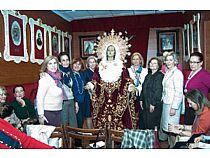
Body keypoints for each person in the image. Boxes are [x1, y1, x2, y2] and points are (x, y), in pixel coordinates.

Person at [86, 30, 137, 130]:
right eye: (108, 50)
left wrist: (130, 85)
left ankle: (117, 139)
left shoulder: (121, 65)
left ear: (115, 52)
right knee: (102, 118)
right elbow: (95, 79)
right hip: (103, 96)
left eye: (112, 50)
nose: (110, 52)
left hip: (117, 96)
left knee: (118, 118)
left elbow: (126, 79)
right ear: (105, 51)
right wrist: (92, 85)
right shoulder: (99, 66)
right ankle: (103, 139)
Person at [159, 52, 184, 148]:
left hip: (172, 104)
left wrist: (174, 107)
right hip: (166, 102)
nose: (168, 62)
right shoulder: (168, 72)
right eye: (167, 60)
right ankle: (171, 146)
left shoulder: (177, 73)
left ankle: (175, 148)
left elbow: (178, 92)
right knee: (168, 128)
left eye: (171, 60)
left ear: (175, 61)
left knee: (172, 128)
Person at [184, 52, 210, 125]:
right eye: (191, 62)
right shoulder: (189, 73)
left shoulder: (204, 74)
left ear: (201, 63)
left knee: (196, 130)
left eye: (195, 62)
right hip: (189, 106)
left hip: (199, 107)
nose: (192, 64)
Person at [36, 55, 63, 127]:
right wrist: (41, 115)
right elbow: (39, 98)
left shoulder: (58, 77)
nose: (53, 66)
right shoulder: (45, 79)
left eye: (55, 63)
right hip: (48, 112)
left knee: (58, 136)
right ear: (46, 66)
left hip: (58, 110)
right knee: (52, 136)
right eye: (50, 63)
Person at [139, 57, 164, 129]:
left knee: (152, 125)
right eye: (151, 63)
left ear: (158, 65)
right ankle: (147, 139)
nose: (152, 64)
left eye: (155, 63)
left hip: (153, 104)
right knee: (146, 123)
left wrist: (153, 103)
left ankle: (153, 140)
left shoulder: (160, 76)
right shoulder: (148, 75)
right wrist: (141, 99)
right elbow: (143, 88)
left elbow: (158, 91)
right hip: (145, 103)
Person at [128, 52, 148, 129]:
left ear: (140, 60)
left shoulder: (145, 71)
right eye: (134, 59)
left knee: (142, 115)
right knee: (131, 115)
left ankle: (141, 132)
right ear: (132, 61)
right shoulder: (128, 70)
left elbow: (146, 84)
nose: (136, 61)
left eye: (137, 59)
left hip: (142, 95)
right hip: (131, 95)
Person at [58, 52, 77, 127]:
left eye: (67, 60)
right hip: (62, 101)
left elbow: (74, 87)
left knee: (73, 123)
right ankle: (65, 139)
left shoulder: (71, 72)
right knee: (64, 123)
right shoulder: (57, 72)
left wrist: (76, 102)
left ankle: (74, 138)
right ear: (60, 62)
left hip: (71, 99)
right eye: (63, 60)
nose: (66, 62)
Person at [71, 58, 86, 129]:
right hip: (75, 101)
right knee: (77, 121)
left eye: (79, 64)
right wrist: (75, 102)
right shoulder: (70, 74)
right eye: (75, 64)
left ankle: (79, 138)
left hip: (83, 100)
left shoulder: (82, 74)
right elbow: (72, 89)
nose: (77, 66)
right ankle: (77, 139)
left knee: (81, 121)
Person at [83, 56, 98, 128]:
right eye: (90, 62)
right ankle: (90, 132)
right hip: (88, 96)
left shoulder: (99, 72)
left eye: (94, 62)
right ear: (88, 64)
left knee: (97, 113)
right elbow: (84, 85)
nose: (92, 64)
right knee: (89, 114)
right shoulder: (85, 72)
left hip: (98, 96)